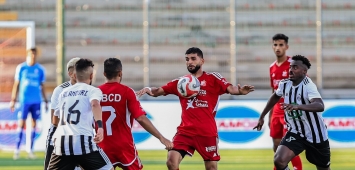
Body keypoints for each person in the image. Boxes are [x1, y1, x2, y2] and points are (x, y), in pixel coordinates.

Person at [136, 47, 254, 170]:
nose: (189, 62)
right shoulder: (181, 82)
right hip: (185, 132)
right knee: (171, 161)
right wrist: (148, 89)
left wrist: (240, 91)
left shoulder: (213, 78)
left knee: (211, 167)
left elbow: (231, 89)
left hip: (207, 132)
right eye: (187, 59)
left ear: (202, 61)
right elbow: (158, 91)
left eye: (193, 59)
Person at [254, 55, 331, 170]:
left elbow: (320, 105)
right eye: (290, 67)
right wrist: (262, 116)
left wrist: (298, 106)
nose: (290, 70)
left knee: (323, 168)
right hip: (296, 132)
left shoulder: (308, 86)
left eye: (295, 67)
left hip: (316, 135)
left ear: (304, 71)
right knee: (279, 161)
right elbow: (275, 96)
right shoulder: (284, 84)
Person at [98, 58, 173, 170]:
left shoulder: (96, 93)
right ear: (120, 73)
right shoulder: (127, 92)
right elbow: (141, 118)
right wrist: (161, 138)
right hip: (124, 146)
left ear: (104, 74)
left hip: (103, 146)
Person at [47, 58, 113, 170]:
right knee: (108, 168)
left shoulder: (63, 92)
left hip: (61, 142)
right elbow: (95, 104)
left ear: (75, 75)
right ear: (91, 76)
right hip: (82, 140)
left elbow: (56, 116)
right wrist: (100, 127)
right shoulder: (93, 90)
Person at [269, 34, 302, 170]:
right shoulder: (272, 67)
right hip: (276, 111)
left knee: (289, 145)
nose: (278, 48)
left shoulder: (293, 65)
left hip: (290, 111)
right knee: (276, 146)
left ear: (286, 47)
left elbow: (304, 86)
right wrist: (270, 114)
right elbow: (273, 92)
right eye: (275, 45)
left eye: (281, 45)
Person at [10, 47, 48, 160]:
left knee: (34, 125)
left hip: (36, 101)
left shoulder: (40, 69)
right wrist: (13, 99)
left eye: (34, 54)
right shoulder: (22, 68)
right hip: (24, 101)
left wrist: (45, 101)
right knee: (21, 124)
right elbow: (16, 84)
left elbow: (42, 86)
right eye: (31, 54)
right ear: (28, 55)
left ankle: (30, 150)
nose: (33, 56)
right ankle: (17, 150)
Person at [44, 57, 81, 170]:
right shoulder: (60, 90)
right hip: (58, 135)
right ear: (71, 73)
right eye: (80, 69)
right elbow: (54, 121)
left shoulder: (89, 89)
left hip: (80, 136)